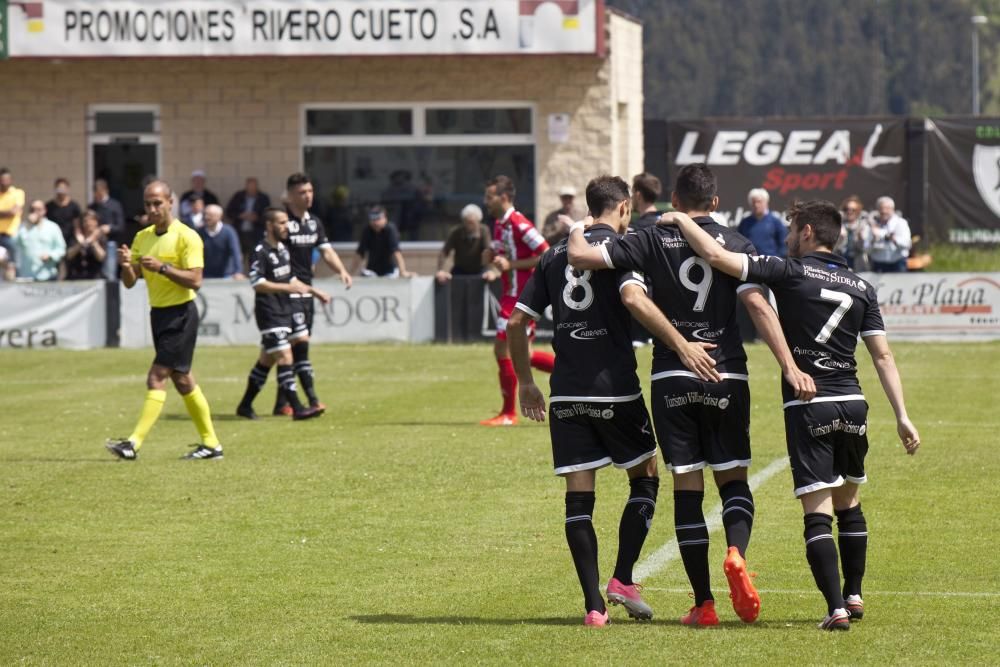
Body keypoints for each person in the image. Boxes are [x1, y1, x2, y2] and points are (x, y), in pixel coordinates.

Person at [568, 164, 815, 627]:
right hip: (726, 372)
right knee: (734, 481)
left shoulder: (647, 235)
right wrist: (789, 365)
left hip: (671, 375)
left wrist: (576, 230)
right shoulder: (736, 242)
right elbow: (758, 305)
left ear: (675, 200)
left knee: (687, 487)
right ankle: (737, 553)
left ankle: (703, 604)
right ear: (716, 204)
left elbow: (585, 261)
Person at [662, 199, 920, 631]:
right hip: (853, 404)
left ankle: (836, 608)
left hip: (809, 403)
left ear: (805, 232)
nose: (786, 235)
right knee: (850, 504)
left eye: (791, 227)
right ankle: (854, 594)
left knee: (817, 512)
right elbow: (883, 354)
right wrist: (903, 415)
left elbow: (716, 256)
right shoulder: (861, 286)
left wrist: (683, 219)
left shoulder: (790, 271)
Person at [509, 175, 720, 626]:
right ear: (624, 208)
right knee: (645, 476)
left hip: (565, 392)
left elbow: (515, 324)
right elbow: (635, 300)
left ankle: (593, 607)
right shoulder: (626, 252)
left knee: (578, 496)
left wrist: (525, 382)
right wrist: (683, 344)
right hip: (615, 389)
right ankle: (622, 576)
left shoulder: (552, 256)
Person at [106, 180, 223, 461]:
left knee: (157, 377)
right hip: (158, 313)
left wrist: (163, 268)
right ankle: (212, 445)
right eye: (148, 204)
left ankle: (132, 444)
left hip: (181, 313)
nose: (153, 208)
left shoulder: (187, 236)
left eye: (158, 203)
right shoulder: (142, 236)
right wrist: (125, 265)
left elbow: (195, 281)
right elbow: (130, 283)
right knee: (182, 380)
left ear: (171, 202)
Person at [237, 208, 329, 421]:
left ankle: (245, 405)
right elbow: (257, 283)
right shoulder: (260, 250)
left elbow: (291, 280)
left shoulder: (283, 250)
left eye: (287, 222)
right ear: (269, 226)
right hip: (270, 313)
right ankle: (297, 408)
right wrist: (287, 289)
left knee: (266, 361)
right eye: (281, 223)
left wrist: (315, 292)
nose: (286, 227)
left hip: (285, 310)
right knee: (286, 356)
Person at [273, 172, 353, 415]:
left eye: (310, 191)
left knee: (288, 349)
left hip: (306, 290)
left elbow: (326, 250)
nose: (307, 196)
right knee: (299, 346)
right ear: (290, 196)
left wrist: (342, 270)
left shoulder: (314, 222)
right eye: (301, 193)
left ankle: (282, 402)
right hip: (288, 291)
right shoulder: (283, 223)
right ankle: (310, 400)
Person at [480, 175, 554, 426]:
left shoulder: (519, 223)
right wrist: (491, 258)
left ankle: (509, 414)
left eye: (489, 197)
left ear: (503, 197)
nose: (485, 202)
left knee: (505, 349)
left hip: (521, 297)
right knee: (524, 353)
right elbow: (503, 258)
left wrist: (511, 264)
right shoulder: (500, 224)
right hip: (509, 294)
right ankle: (577, 372)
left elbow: (546, 253)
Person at [351, 205, 415, 278]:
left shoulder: (390, 230)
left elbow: (396, 252)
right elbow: (360, 253)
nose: (375, 222)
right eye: (373, 219)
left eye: (378, 219)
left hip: (389, 271)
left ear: (385, 219)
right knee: (365, 275)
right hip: (372, 270)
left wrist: (402, 271)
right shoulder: (367, 231)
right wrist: (349, 273)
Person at [436, 204, 491, 283]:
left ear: (478, 221)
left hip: (478, 269)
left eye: (472, 223)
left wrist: (489, 270)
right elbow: (444, 251)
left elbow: (488, 251)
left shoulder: (484, 231)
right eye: (467, 222)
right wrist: (440, 270)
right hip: (460, 269)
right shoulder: (456, 232)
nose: (469, 226)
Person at [15, 200, 66, 281]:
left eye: (38, 209)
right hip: (26, 275)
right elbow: (16, 243)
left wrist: (50, 255)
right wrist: (28, 225)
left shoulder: (53, 227)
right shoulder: (23, 227)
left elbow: (61, 249)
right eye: (32, 210)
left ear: (44, 211)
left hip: (47, 275)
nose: (35, 212)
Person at [224, 177, 272, 262]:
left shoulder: (263, 198)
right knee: (238, 255)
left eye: (253, 187)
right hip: (239, 231)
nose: (251, 189)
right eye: (249, 187)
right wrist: (240, 215)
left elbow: (267, 215)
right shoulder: (238, 196)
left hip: (256, 233)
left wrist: (256, 218)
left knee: (255, 256)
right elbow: (229, 212)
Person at [90, 178, 125, 281]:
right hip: (96, 242)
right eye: (96, 192)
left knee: (109, 273)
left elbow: (121, 226)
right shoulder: (93, 207)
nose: (98, 195)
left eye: (100, 192)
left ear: (106, 191)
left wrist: (109, 228)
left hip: (110, 243)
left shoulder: (114, 205)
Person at [198, 204, 245, 279]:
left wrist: (238, 271)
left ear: (219, 216)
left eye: (210, 215)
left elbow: (235, 252)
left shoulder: (229, 232)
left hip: (226, 275)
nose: (206, 217)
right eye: (205, 214)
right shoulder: (200, 232)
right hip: (206, 275)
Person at [738, 189, 787, 257]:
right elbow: (739, 243)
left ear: (766, 202)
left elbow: (783, 245)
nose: (756, 205)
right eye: (753, 202)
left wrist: (778, 260)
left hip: (771, 263)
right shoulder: (745, 222)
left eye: (759, 202)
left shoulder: (775, 222)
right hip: (750, 263)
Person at [869, 196, 911, 273]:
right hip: (878, 264)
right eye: (881, 208)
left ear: (893, 209)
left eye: (887, 208)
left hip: (897, 263)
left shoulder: (900, 223)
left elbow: (907, 244)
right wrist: (873, 239)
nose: (884, 211)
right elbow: (866, 247)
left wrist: (891, 238)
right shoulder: (873, 225)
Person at [64, 210, 107, 280]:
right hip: (76, 277)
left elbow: (101, 257)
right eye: (85, 221)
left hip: (94, 277)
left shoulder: (101, 238)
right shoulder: (75, 237)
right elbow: (68, 255)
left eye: (91, 220)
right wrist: (80, 244)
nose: (88, 223)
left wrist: (93, 242)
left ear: (96, 222)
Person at [0, 167, 25, 281]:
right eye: (2, 180)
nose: (4, 182)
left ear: (10, 180)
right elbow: (10, 212)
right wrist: (8, 212)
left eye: (6, 180)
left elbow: (14, 212)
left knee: (16, 263)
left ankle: (18, 283)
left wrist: (7, 212)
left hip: (11, 234)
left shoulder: (18, 193)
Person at [836, 195, 872, 271]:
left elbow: (868, 249)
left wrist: (861, 239)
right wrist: (840, 238)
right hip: (841, 260)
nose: (850, 212)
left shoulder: (864, 225)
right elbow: (833, 248)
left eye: (853, 210)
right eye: (847, 209)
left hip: (858, 262)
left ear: (858, 211)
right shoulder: (838, 225)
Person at [46, 178, 83, 246]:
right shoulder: (49, 206)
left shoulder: (74, 206)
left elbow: (77, 226)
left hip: (70, 240)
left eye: (63, 188)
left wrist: (79, 237)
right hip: (53, 240)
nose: (61, 191)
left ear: (67, 189)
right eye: (59, 188)